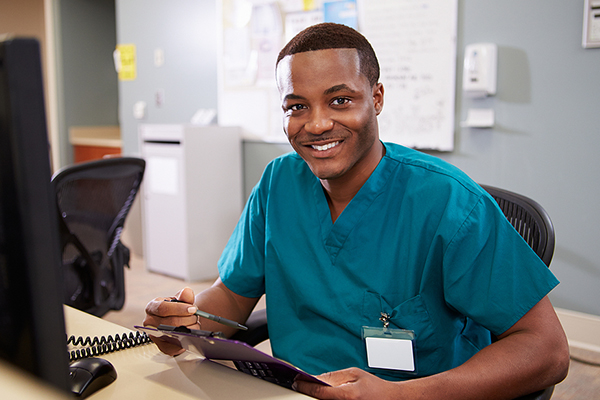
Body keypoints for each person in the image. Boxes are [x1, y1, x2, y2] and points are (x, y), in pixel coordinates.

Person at [144, 23, 569, 399]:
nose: (316, 124)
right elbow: (233, 296)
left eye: (340, 100)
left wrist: (401, 396)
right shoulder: (278, 184)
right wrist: (185, 320)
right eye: (296, 106)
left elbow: (547, 350)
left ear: (377, 98)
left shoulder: (450, 203)